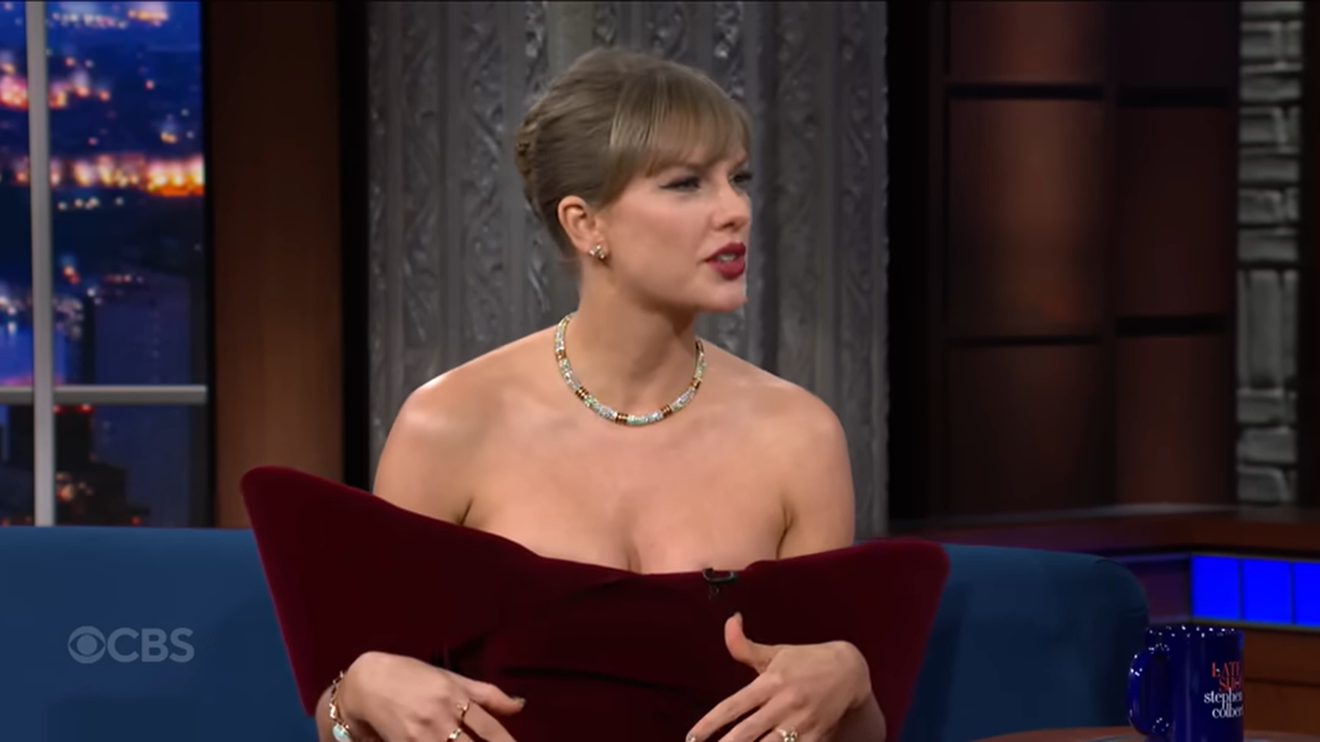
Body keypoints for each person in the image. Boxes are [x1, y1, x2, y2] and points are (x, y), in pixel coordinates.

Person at [318, 48, 887, 742]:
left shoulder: (799, 436)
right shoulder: (447, 425)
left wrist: (851, 684)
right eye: (686, 184)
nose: (735, 210)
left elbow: (834, 727)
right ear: (586, 224)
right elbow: (353, 715)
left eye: (737, 178)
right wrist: (356, 695)